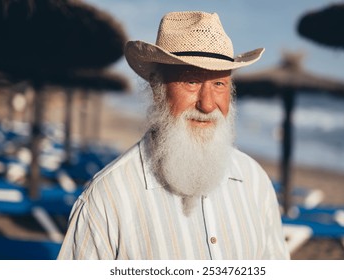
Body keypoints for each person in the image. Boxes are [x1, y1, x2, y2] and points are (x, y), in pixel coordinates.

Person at [58, 11, 290, 260]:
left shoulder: (254, 181)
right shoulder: (107, 198)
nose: (208, 104)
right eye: (191, 82)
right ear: (158, 90)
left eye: (219, 84)